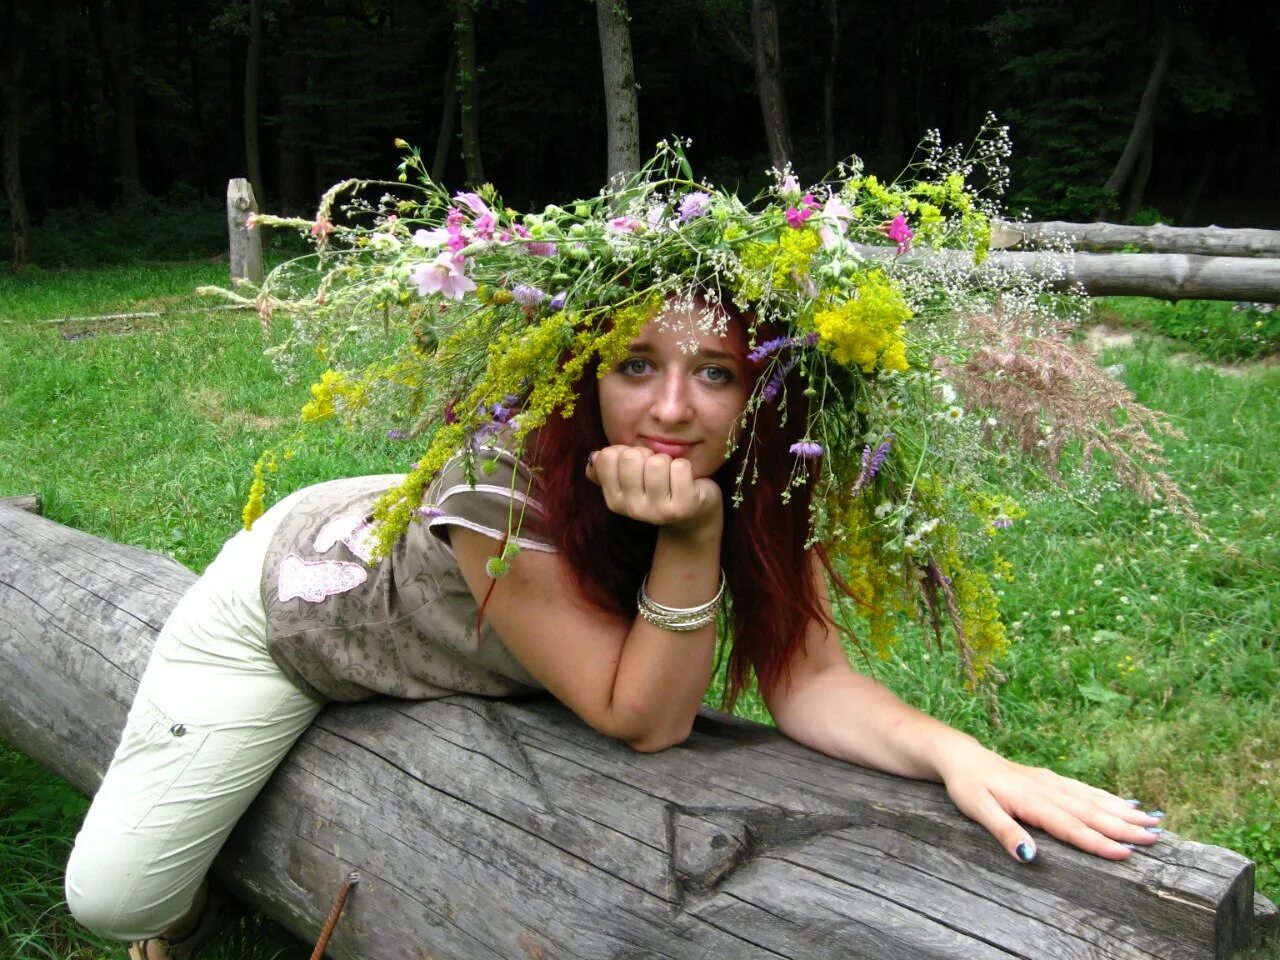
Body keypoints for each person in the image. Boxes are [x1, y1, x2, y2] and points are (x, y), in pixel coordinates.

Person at [66, 139, 1174, 958]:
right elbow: (640, 719)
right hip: (299, 606)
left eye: (718, 372)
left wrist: (955, 756)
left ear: (763, 388)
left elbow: (807, 676)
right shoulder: (494, 486)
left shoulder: (764, 473)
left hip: (450, 603)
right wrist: (689, 541)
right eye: (635, 363)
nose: (673, 411)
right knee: (115, 902)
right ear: (582, 370)